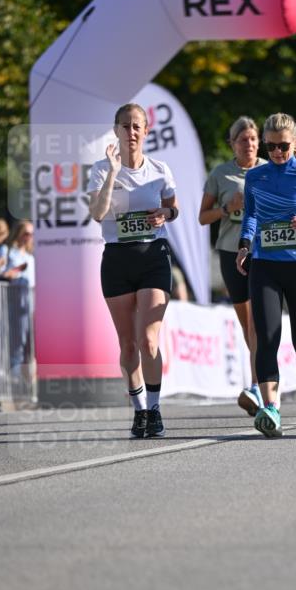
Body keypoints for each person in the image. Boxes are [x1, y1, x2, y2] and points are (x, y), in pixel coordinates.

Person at [236, 112, 296, 438]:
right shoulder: (256, 176)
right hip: (265, 263)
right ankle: (270, 408)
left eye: (284, 146)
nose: (278, 152)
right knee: (266, 337)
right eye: (272, 146)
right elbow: (250, 215)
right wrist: (244, 245)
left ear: (295, 143)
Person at [88, 102, 178, 439]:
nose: (131, 132)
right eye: (125, 126)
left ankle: (154, 408)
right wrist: (112, 172)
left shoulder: (159, 169)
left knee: (148, 339)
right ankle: (139, 410)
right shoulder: (100, 169)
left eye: (137, 125)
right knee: (127, 345)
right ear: (116, 130)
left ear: (146, 130)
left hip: (153, 254)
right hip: (117, 258)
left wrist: (164, 216)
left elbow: (174, 207)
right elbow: (98, 214)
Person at [200, 116, 267, 415]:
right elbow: (203, 217)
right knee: (248, 324)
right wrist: (228, 208)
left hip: (264, 252)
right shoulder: (221, 174)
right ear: (232, 144)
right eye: (243, 140)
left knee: (259, 322)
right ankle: (259, 381)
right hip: (230, 252)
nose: (249, 144)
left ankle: (257, 386)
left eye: (253, 139)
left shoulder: (270, 170)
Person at [0, 220, 36, 380]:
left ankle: (26, 381)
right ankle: (14, 379)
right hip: (13, 303)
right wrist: (10, 274)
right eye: (26, 233)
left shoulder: (30, 257)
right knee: (16, 343)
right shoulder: (7, 252)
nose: (29, 237)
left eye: (31, 234)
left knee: (30, 345)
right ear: (18, 233)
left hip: (29, 304)